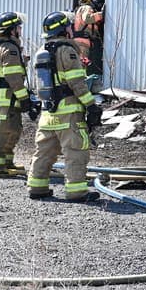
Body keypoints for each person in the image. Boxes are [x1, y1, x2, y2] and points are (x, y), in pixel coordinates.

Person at [26, 11, 102, 202]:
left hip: (47, 112)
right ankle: (76, 192)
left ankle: (37, 187)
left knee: (44, 152)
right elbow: (77, 82)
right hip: (68, 113)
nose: (71, 28)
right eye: (69, 26)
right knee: (75, 151)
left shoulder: (41, 51)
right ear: (64, 29)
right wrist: (91, 105)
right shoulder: (67, 51)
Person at [0, 12, 37, 177]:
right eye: (18, 27)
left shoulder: (9, 47)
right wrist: (25, 98)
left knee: (14, 129)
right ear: (12, 30)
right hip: (8, 96)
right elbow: (13, 77)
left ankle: (6, 162)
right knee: (3, 130)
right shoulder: (9, 48)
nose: (20, 30)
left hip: (10, 96)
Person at [71, 0, 104, 77]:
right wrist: (102, 14)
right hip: (82, 44)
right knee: (80, 69)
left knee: (81, 67)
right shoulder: (87, 8)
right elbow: (87, 18)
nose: (97, 2)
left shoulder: (80, 9)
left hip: (82, 43)